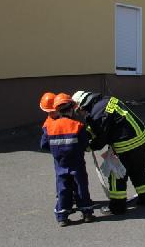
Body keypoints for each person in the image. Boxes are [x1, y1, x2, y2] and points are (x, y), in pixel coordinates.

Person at [72, 91, 145, 215]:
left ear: (82, 105)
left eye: (78, 111)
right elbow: (102, 124)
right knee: (138, 171)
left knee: (116, 175)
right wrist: (87, 134)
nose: (80, 114)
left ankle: (117, 207)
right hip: (139, 139)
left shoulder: (98, 112)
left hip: (124, 144)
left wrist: (89, 147)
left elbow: (101, 136)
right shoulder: (106, 101)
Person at [40, 92, 95, 226]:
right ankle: (87, 213)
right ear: (71, 109)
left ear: (57, 110)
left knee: (63, 188)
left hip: (60, 164)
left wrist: (56, 151)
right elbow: (85, 144)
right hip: (77, 163)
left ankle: (62, 217)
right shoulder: (78, 125)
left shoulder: (49, 127)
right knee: (81, 186)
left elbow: (43, 145)